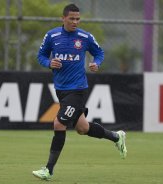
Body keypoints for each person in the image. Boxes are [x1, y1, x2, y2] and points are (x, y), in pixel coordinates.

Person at [32, 3, 127, 181]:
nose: (75, 22)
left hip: (77, 89)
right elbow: (41, 55)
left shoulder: (85, 37)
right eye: (72, 19)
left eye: (78, 19)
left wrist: (96, 63)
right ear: (63, 18)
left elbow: (99, 53)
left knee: (59, 124)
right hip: (60, 90)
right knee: (82, 128)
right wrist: (48, 63)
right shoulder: (52, 35)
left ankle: (48, 170)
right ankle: (116, 137)